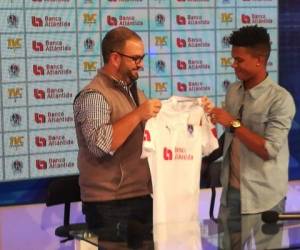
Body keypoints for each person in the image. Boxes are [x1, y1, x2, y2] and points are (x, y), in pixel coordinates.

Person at [73, 26, 162, 232]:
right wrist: (139, 113)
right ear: (115, 58)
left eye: (142, 58)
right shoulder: (94, 96)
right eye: (135, 58)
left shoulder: (134, 91)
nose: (140, 65)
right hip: (110, 204)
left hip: (140, 196)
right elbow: (101, 145)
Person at [210, 25, 296, 221]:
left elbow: (269, 149)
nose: (233, 64)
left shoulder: (281, 99)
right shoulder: (233, 90)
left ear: (259, 61)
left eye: (239, 60)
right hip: (230, 193)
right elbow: (231, 136)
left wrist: (232, 123)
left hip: (265, 197)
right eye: (233, 59)